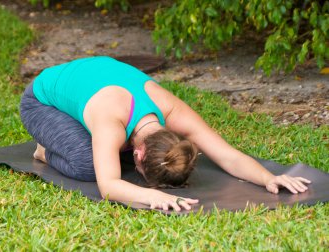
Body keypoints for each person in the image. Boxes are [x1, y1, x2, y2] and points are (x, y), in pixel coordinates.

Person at [20, 56, 311, 212]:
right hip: (41, 101)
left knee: (108, 154)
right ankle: (43, 150)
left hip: (95, 79)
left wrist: (268, 178)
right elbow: (108, 186)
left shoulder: (173, 111)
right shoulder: (111, 122)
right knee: (87, 165)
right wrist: (151, 196)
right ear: (138, 153)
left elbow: (227, 155)